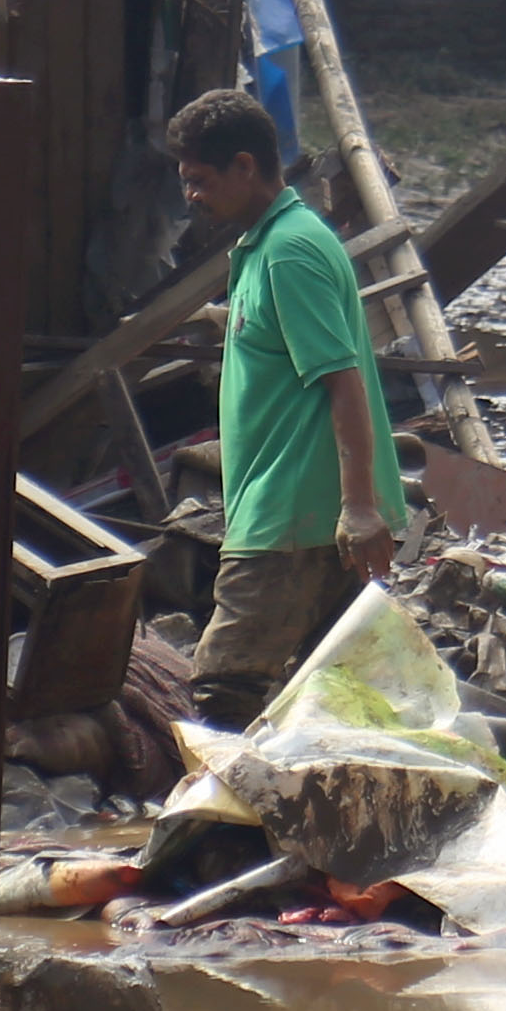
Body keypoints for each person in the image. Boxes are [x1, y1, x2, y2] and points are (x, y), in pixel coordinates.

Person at [169, 87, 408, 725]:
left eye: (200, 179)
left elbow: (343, 380)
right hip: (298, 514)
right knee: (331, 701)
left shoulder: (289, 251)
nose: (191, 195)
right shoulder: (267, 245)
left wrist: (359, 508)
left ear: (245, 166)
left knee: (225, 690)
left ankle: (221, 824)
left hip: (291, 522)